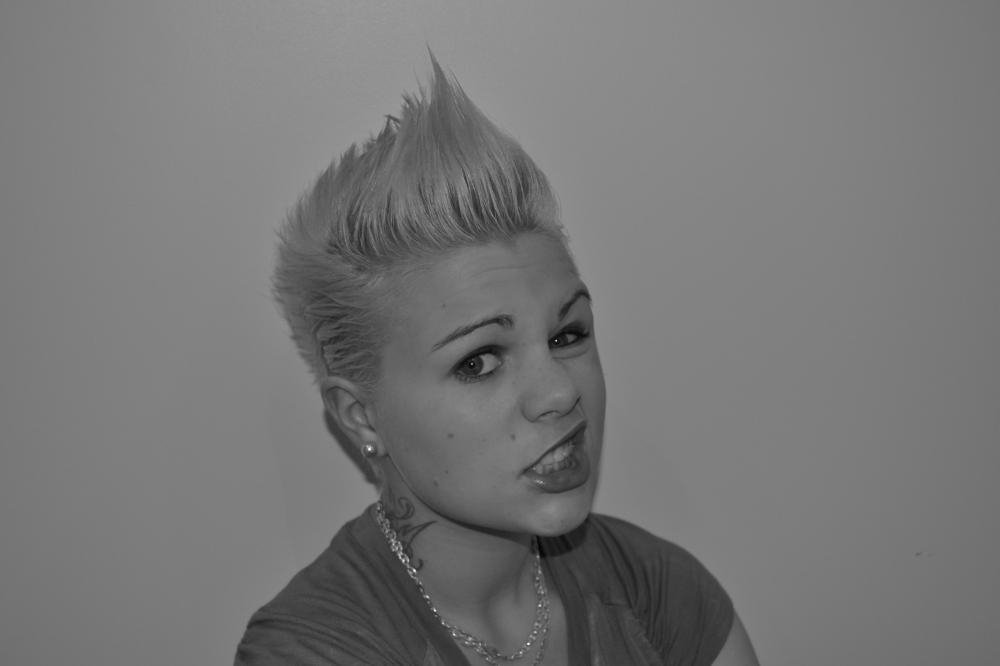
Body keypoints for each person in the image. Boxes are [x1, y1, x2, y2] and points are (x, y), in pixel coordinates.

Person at [235, 58, 759, 665]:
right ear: (360, 416)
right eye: (479, 362)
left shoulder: (658, 595)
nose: (560, 392)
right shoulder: (313, 651)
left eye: (567, 335)